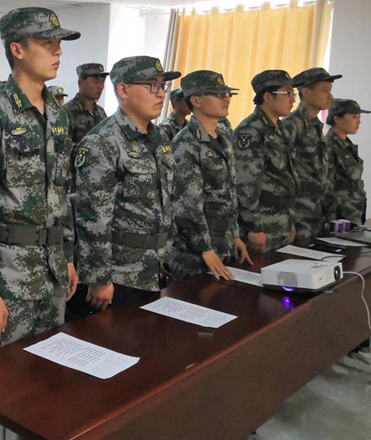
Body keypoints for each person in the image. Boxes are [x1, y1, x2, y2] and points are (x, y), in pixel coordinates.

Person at [0, 7, 79, 439]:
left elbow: (62, 194)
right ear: (17, 49)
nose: (57, 51)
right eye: (47, 42)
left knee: (45, 377)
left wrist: (66, 254)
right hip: (7, 276)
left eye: (58, 43)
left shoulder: (57, 115)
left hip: (50, 273)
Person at [75, 56, 179, 310]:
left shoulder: (158, 138)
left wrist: (165, 256)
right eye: (152, 85)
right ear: (123, 90)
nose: (160, 93)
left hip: (155, 268)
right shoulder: (103, 142)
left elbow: (165, 203)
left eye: (162, 86)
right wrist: (99, 278)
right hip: (120, 275)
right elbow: (93, 218)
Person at [163, 71, 251, 282]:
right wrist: (204, 248)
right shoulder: (186, 143)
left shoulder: (223, 137)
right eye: (217, 94)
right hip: (193, 251)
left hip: (222, 242)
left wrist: (234, 235)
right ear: (196, 101)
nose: (226, 98)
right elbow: (187, 206)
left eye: (228, 94)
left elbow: (230, 192)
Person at [232, 70, 298, 254]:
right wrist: (254, 226)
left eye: (293, 94)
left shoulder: (280, 129)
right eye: (288, 93)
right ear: (268, 96)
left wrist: (290, 221)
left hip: (281, 220)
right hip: (262, 224)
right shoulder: (250, 131)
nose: (293, 100)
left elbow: (285, 178)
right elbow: (245, 183)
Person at [280, 67, 341, 246]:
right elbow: (282, 174)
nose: (330, 97)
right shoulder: (291, 125)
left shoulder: (316, 126)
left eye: (330, 91)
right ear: (306, 92)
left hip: (318, 213)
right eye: (325, 91)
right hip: (298, 215)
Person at [326, 99, 369, 226]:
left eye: (359, 117)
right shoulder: (328, 146)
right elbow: (325, 188)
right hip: (339, 218)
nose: (358, 121)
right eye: (354, 117)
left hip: (353, 213)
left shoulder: (346, 145)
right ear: (337, 119)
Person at [63, 63, 108, 145]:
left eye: (103, 82)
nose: (100, 87)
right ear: (81, 82)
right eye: (96, 82)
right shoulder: (66, 112)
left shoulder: (101, 112)